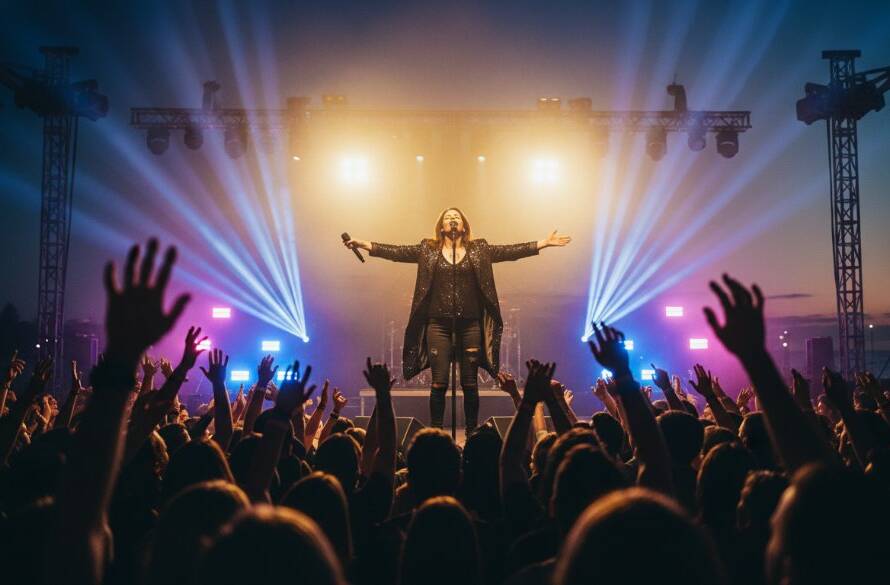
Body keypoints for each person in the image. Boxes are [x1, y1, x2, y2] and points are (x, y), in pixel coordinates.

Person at [345, 207, 571, 433]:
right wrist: (363, 243)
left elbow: (510, 251)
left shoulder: (479, 249)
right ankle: (436, 432)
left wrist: (543, 243)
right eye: (447, 217)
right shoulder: (428, 249)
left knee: (469, 383)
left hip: (470, 325)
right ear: (441, 227)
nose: (452, 219)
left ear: (464, 225)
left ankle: (472, 432)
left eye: (456, 217)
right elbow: (396, 252)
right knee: (439, 382)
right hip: (438, 325)